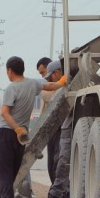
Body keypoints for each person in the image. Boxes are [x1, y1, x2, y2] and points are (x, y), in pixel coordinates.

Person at [0, 56, 65, 198]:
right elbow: (52, 86)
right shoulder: (33, 84)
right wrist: (63, 81)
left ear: (10, 71)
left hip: (8, 131)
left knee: (2, 168)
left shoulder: (12, 88)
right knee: (13, 168)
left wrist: (16, 128)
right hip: (22, 136)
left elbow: (5, 112)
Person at [43, 60, 72, 198]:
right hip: (58, 126)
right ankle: (63, 195)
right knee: (55, 162)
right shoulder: (58, 85)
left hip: (65, 126)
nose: (49, 79)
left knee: (61, 160)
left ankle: (58, 196)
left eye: (50, 76)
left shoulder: (65, 83)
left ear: (57, 73)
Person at [36, 56, 61, 184]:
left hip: (58, 128)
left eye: (43, 72)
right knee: (51, 161)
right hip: (50, 127)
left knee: (57, 160)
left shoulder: (58, 85)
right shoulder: (49, 85)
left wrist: (41, 89)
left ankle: (57, 190)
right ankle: (54, 188)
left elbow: (51, 97)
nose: (43, 76)